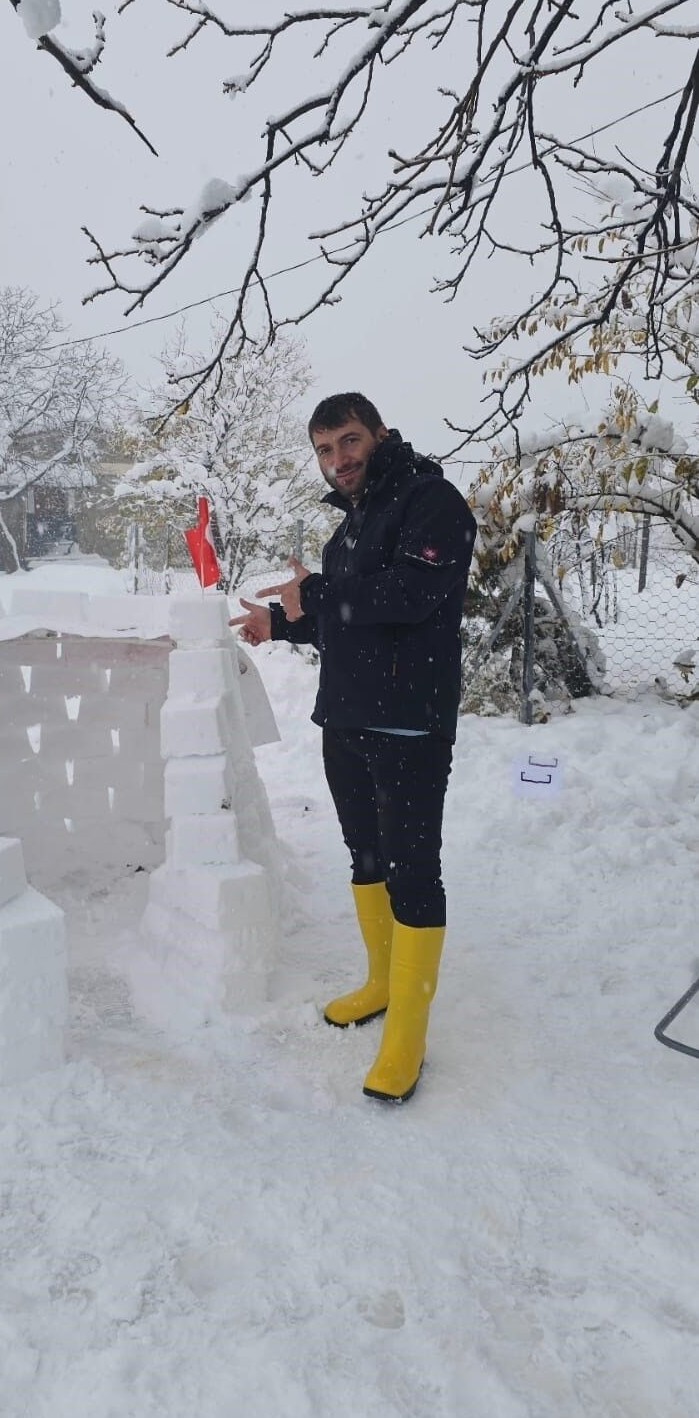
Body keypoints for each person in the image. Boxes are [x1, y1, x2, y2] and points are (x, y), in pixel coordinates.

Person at [229, 393, 476, 1103]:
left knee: (411, 872)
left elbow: (407, 596)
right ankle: (379, 981)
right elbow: (343, 615)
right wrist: (280, 623)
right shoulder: (352, 524)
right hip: (346, 719)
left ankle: (407, 1032)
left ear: (379, 434)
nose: (337, 458)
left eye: (347, 440)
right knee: (365, 857)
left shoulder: (431, 502)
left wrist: (321, 594)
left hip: (408, 725)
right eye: (324, 448)